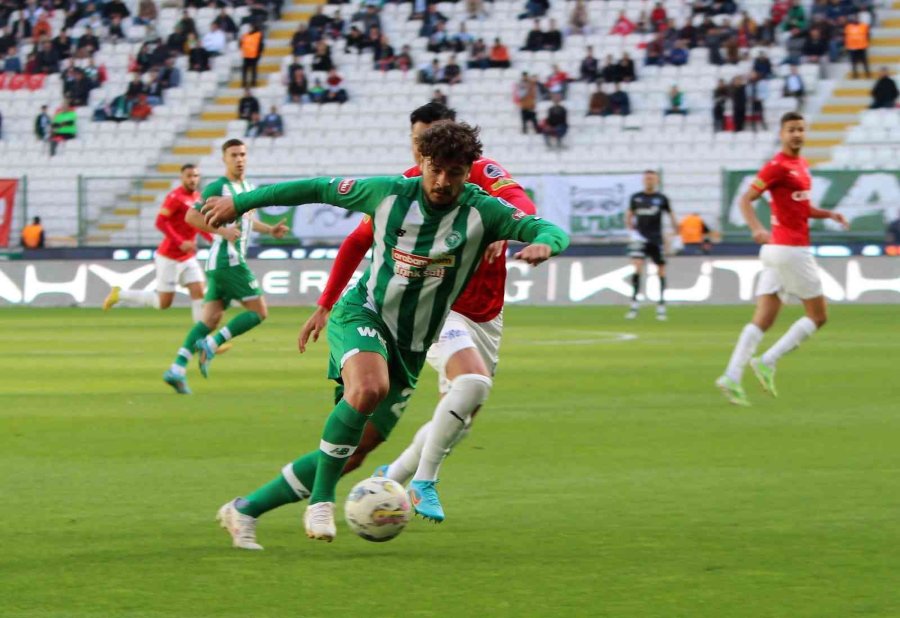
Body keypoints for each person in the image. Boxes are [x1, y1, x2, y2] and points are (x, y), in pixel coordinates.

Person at [203, 121, 568, 545]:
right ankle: (321, 502)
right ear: (423, 163)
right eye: (435, 169)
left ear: (470, 171)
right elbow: (316, 187)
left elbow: (547, 228)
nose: (442, 181)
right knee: (370, 387)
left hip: (412, 344)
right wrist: (242, 203)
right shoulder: (390, 192)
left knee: (356, 452)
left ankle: (244, 509)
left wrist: (546, 244)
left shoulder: (483, 212)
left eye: (454, 172)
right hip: (364, 311)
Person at [295, 102, 542, 524]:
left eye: (426, 142)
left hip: (485, 313)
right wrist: (325, 302)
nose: (421, 155)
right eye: (416, 145)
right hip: (434, 310)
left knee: (461, 415)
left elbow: (520, 203)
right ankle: (419, 482)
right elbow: (357, 241)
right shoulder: (406, 189)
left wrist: (517, 230)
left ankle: (393, 474)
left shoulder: (480, 176)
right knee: (470, 381)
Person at [716, 112, 849, 406]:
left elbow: (801, 209)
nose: (797, 134)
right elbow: (745, 199)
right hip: (791, 250)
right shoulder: (776, 166)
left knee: (763, 319)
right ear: (781, 133)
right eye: (791, 130)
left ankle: (731, 375)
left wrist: (829, 214)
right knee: (818, 316)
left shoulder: (801, 166)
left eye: (801, 129)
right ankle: (768, 360)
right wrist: (756, 228)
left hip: (777, 252)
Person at [161, 140, 288, 394]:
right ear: (224, 159)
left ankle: (177, 368)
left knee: (209, 319)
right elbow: (191, 216)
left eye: (242, 154)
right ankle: (212, 343)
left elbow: (248, 222)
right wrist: (222, 230)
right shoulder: (218, 187)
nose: (239, 159)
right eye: (234, 155)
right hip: (228, 260)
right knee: (259, 312)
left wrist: (270, 230)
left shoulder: (247, 187)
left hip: (220, 263)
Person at [103, 164, 212, 321]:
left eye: (195, 176)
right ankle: (119, 294)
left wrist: (215, 239)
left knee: (199, 292)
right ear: (182, 178)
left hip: (187, 257)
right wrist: (181, 241)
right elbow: (160, 222)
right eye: (189, 176)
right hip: (169, 256)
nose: (192, 179)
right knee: (163, 303)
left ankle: (202, 339)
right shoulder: (175, 197)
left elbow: (200, 225)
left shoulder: (198, 199)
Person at [624, 170, 678, 321]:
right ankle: (634, 304)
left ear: (657, 181)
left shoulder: (661, 199)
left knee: (660, 270)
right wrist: (631, 231)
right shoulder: (636, 198)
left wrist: (675, 233)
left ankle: (661, 305)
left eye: (652, 179)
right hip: (640, 238)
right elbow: (629, 215)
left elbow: (671, 215)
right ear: (643, 181)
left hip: (656, 239)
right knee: (637, 267)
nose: (649, 181)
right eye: (647, 178)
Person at [844, 13, 869, 79]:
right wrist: (847, 46)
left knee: (864, 62)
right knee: (853, 62)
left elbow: (867, 35)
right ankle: (855, 75)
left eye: (857, 18)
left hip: (862, 46)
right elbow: (846, 36)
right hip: (852, 47)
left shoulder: (864, 26)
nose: (856, 19)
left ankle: (867, 74)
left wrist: (866, 43)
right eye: (855, 18)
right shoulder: (848, 27)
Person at [240, 23, 264, 88]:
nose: (249, 29)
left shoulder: (258, 35)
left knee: (253, 70)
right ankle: (244, 82)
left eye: (251, 27)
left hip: (254, 56)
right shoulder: (245, 35)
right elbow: (241, 43)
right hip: (246, 55)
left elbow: (260, 45)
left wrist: (259, 54)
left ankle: (253, 82)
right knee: (244, 70)